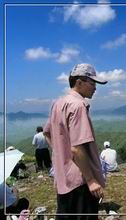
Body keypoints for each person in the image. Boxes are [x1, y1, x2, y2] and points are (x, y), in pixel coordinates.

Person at [43, 63, 107, 219]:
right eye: (92, 83)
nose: (95, 88)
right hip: (80, 182)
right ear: (79, 82)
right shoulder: (78, 106)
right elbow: (77, 148)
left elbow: (47, 133)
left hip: (64, 179)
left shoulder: (57, 103)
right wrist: (91, 180)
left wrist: (60, 158)